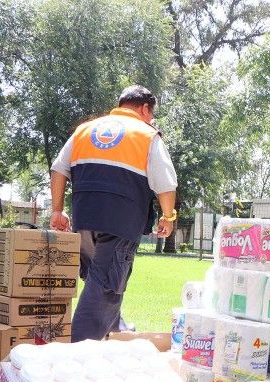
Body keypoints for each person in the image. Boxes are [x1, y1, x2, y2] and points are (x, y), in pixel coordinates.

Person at [49, 85, 178, 341]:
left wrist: (56, 210)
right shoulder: (146, 135)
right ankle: (78, 353)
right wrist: (168, 216)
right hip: (121, 221)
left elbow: (58, 168)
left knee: (99, 279)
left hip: (84, 219)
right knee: (106, 286)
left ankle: (118, 331)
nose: (151, 120)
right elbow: (165, 183)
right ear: (144, 109)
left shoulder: (85, 130)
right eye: (151, 115)